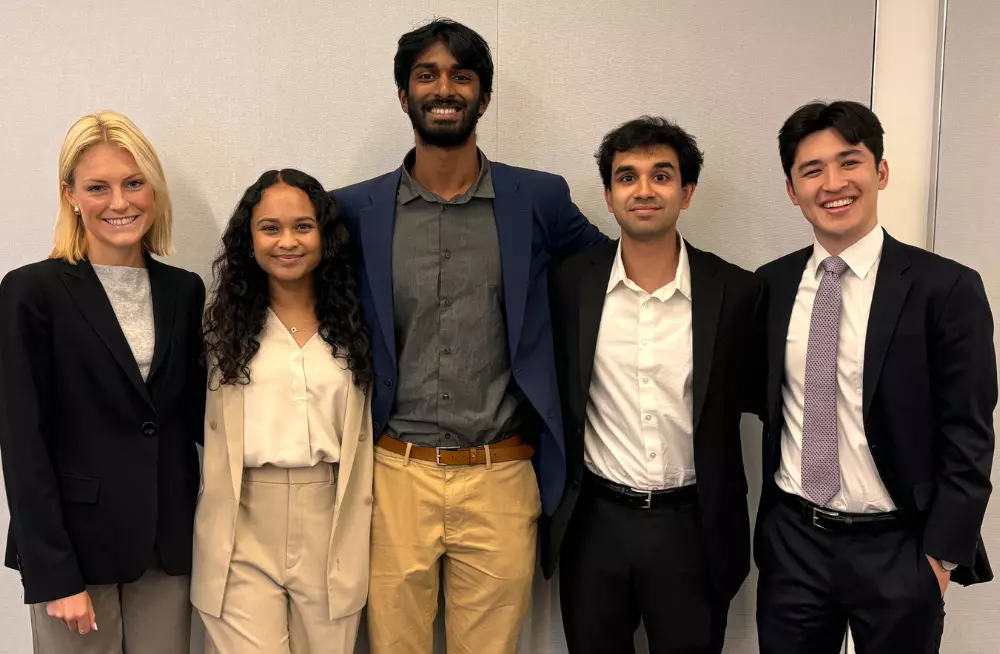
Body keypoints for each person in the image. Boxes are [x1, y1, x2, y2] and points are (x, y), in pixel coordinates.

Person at [331, 18, 606, 654]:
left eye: (461, 75)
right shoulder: (353, 210)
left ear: (483, 96)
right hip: (393, 473)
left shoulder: (537, 199)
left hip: (501, 475)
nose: (443, 87)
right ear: (404, 95)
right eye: (426, 75)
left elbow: (607, 277)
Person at [754, 100, 996, 654]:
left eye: (850, 162)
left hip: (899, 548)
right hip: (794, 541)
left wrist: (940, 556)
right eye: (811, 170)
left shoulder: (947, 289)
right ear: (793, 190)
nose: (833, 183)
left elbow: (970, 433)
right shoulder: (770, 285)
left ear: (880, 172)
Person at [546, 116, 764, 653]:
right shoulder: (569, 284)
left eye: (661, 176)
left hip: (693, 527)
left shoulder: (736, 292)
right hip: (594, 524)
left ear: (686, 193)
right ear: (609, 194)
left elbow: (769, 403)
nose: (643, 190)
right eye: (627, 177)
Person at [0, 111, 205, 653]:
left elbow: (192, 415)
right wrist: (54, 574)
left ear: (153, 190)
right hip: (75, 554)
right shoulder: (30, 292)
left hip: (166, 546)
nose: (120, 203)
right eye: (98, 187)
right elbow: (22, 442)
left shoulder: (184, 292)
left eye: (133, 183)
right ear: (70, 195)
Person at [192, 169, 373, 653]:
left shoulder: (357, 324)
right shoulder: (219, 325)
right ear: (248, 239)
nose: (286, 241)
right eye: (270, 228)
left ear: (324, 236)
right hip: (242, 519)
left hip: (330, 516)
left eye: (303, 226)